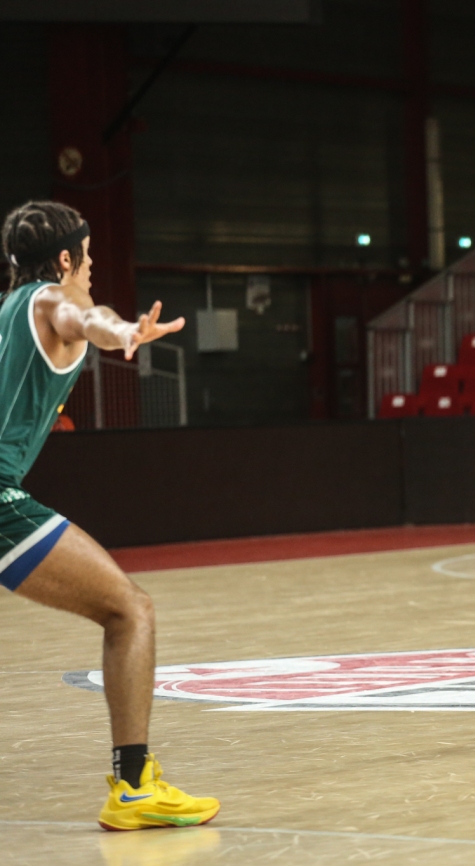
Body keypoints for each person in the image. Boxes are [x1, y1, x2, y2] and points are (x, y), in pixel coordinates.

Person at [0, 200, 219, 830]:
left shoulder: (10, 309)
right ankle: (132, 787)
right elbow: (83, 314)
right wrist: (121, 331)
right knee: (131, 610)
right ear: (65, 259)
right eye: (88, 256)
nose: (92, 266)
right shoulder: (48, 302)